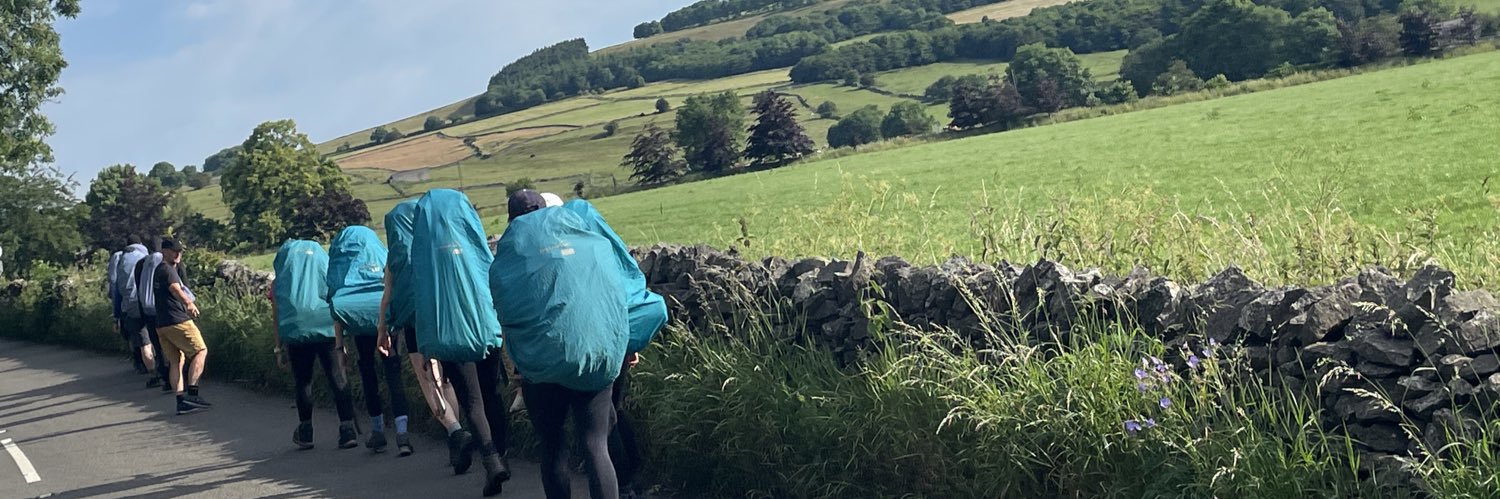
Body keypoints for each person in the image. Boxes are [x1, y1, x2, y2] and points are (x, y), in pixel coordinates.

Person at [492, 189, 628, 499]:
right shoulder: (580, 234)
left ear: (511, 218)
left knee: (552, 448)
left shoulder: (511, 250)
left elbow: (505, 308)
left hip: (541, 366)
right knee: (596, 444)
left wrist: (518, 360)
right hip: (594, 353)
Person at [561, 199, 669, 499]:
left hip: (589, 343)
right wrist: (630, 340)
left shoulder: (568, 251)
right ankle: (631, 475)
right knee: (612, 410)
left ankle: (625, 482)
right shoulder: (602, 243)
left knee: (604, 417)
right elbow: (626, 284)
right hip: (618, 337)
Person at [409, 189, 512, 496]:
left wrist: (428, 348)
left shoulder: (424, 254)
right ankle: (503, 454)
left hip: (449, 334)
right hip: (484, 326)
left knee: (472, 402)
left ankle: (492, 462)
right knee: (492, 394)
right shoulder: (473, 241)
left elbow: (423, 301)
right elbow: (490, 276)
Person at [377, 200, 471, 470]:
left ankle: (454, 430)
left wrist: (383, 330)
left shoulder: (395, 256)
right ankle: (460, 431)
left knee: (429, 382)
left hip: (415, 326)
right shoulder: (433, 246)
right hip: (443, 320)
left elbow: (387, 297)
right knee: (448, 380)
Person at [328, 226, 413, 456]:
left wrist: (339, 346)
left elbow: (336, 304)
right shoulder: (379, 252)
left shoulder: (341, 261)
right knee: (393, 373)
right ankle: (403, 434)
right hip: (382, 317)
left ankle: (378, 432)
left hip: (358, 324)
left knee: (368, 374)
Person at [272, 239, 360, 449]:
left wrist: (278, 346)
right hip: (326, 326)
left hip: (296, 329)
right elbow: (335, 296)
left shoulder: (283, 277)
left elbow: (276, 312)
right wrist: (341, 340)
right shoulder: (324, 264)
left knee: (303, 381)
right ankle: (347, 430)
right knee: (337, 377)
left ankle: (306, 431)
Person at [151, 238, 213, 415]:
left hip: (161, 324)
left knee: (176, 362)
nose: (177, 254)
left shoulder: (158, 270)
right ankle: (192, 394)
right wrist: (189, 304)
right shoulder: (168, 270)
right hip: (177, 320)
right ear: (164, 251)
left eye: (179, 251)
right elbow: (175, 289)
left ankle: (181, 401)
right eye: (173, 250)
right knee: (200, 351)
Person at [112, 243, 162, 386]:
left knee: (143, 344)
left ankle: (153, 375)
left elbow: (116, 291)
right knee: (159, 338)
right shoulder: (147, 258)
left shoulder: (120, 262)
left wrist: (117, 315)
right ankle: (166, 368)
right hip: (150, 305)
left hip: (131, 308)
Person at [130, 247, 173, 392]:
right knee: (174, 344)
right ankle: (178, 378)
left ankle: (165, 378)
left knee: (158, 345)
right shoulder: (167, 263)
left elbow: (139, 290)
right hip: (168, 310)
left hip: (148, 313)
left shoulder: (140, 265)